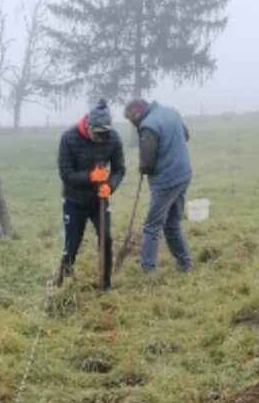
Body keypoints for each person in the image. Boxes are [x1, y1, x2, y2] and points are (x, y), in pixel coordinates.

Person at [56, 99, 125, 285]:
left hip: (99, 202)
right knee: (72, 243)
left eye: (105, 134)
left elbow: (119, 169)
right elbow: (66, 173)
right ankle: (63, 282)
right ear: (88, 126)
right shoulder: (69, 138)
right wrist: (90, 177)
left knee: (107, 239)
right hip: (74, 201)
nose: (101, 139)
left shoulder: (113, 138)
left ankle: (105, 283)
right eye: (97, 134)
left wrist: (110, 186)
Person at [123, 96, 193, 274]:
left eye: (131, 119)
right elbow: (186, 136)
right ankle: (185, 264)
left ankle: (147, 270)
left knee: (151, 227)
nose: (133, 123)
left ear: (137, 111)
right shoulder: (171, 112)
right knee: (172, 224)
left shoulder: (148, 125)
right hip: (183, 175)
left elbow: (147, 164)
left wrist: (142, 168)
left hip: (166, 181)